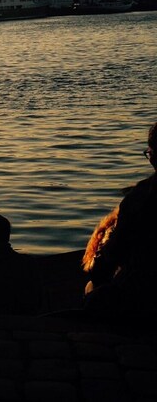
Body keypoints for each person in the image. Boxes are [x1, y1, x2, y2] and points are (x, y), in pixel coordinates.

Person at [82, 122, 157, 318]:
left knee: (92, 290)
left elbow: (113, 254)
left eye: (150, 152)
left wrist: (97, 272)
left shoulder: (141, 198)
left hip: (143, 295)